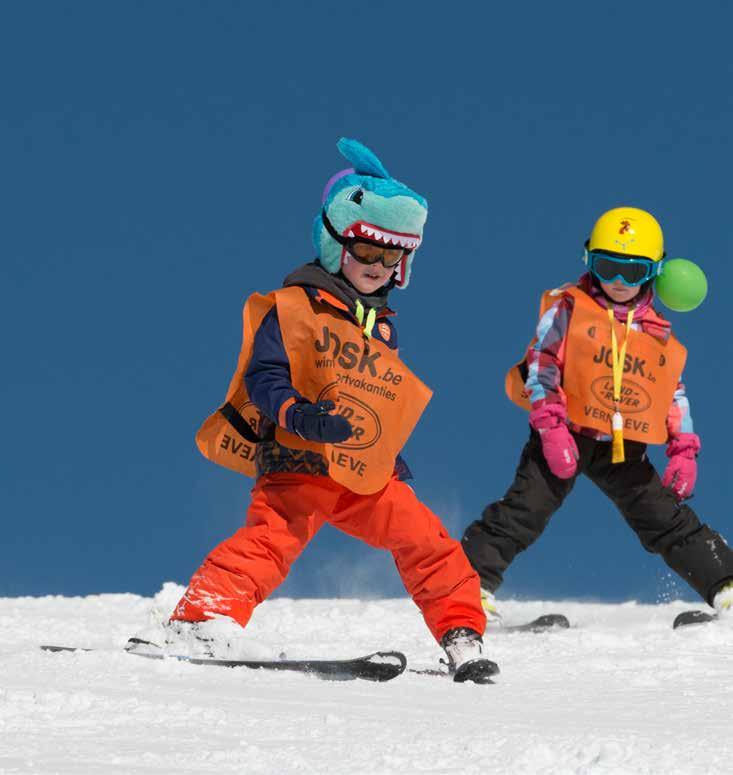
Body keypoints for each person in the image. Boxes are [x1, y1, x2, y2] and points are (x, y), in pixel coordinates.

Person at [130, 138, 496, 683]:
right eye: (366, 251)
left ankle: (461, 632)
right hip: (298, 458)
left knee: (426, 538)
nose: (377, 266)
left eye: (390, 255)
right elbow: (264, 378)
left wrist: (387, 454)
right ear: (335, 245)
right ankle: (201, 619)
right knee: (272, 537)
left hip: (359, 471)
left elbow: (376, 402)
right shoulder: (295, 308)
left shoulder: (381, 326)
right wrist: (300, 416)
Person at [462, 207, 733, 623]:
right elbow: (542, 363)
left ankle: (726, 585)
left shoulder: (656, 332)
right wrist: (551, 428)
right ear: (589, 260)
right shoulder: (571, 309)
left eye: (633, 271)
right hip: (566, 434)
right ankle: (465, 587)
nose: (619, 282)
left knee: (663, 517)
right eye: (607, 267)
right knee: (527, 508)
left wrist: (683, 450)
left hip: (622, 444)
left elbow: (671, 393)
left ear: (654, 272)